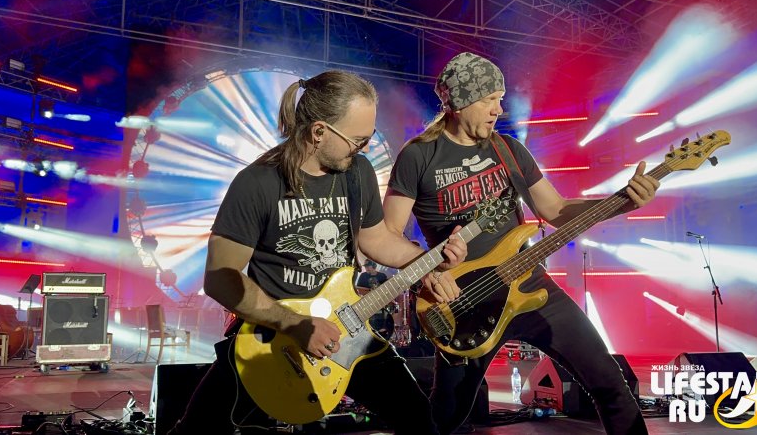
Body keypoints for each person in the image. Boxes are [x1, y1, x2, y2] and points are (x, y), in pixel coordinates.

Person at [168, 70, 467, 435]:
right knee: (197, 431)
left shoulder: (357, 172)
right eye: (357, 140)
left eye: (369, 137)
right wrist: (295, 325)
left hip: (347, 328)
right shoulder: (258, 182)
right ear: (319, 131)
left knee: (419, 422)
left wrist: (429, 262)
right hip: (272, 339)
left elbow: (376, 239)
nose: (364, 148)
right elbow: (220, 278)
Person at [384, 52, 660, 435]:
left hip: (529, 286)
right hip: (463, 304)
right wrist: (425, 275)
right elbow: (388, 234)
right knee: (445, 417)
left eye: (500, 98)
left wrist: (621, 202)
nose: (498, 109)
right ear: (460, 102)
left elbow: (556, 209)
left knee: (609, 381)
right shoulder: (418, 156)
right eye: (489, 99)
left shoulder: (508, 150)